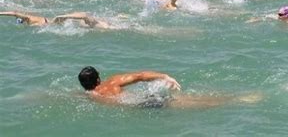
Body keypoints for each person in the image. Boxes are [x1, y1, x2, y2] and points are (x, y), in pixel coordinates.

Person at [78, 66, 262, 108]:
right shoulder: (112, 82)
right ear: (98, 78)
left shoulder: (90, 95)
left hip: (136, 108)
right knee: (191, 102)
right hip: (144, 102)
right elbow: (140, 76)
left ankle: (233, 100)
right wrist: (165, 76)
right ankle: (236, 99)